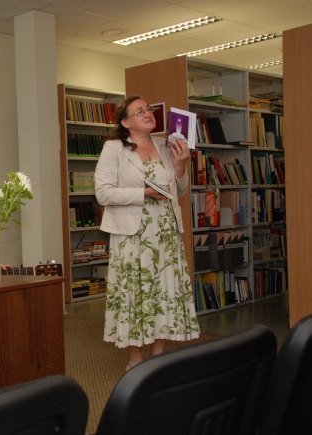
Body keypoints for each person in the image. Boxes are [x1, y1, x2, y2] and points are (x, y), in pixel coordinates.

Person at [94, 95, 200, 371]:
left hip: (165, 232)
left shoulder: (166, 145)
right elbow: (103, 193)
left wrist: (180, 166)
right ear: (125, 122)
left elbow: (179, 190)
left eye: (149, 109)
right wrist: (144, 193)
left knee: (163, 291)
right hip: (133, 234)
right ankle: (136, 359)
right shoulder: (114, 149)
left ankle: (158, 357)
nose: (148, 113)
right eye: (139, 111)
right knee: (135, 293)